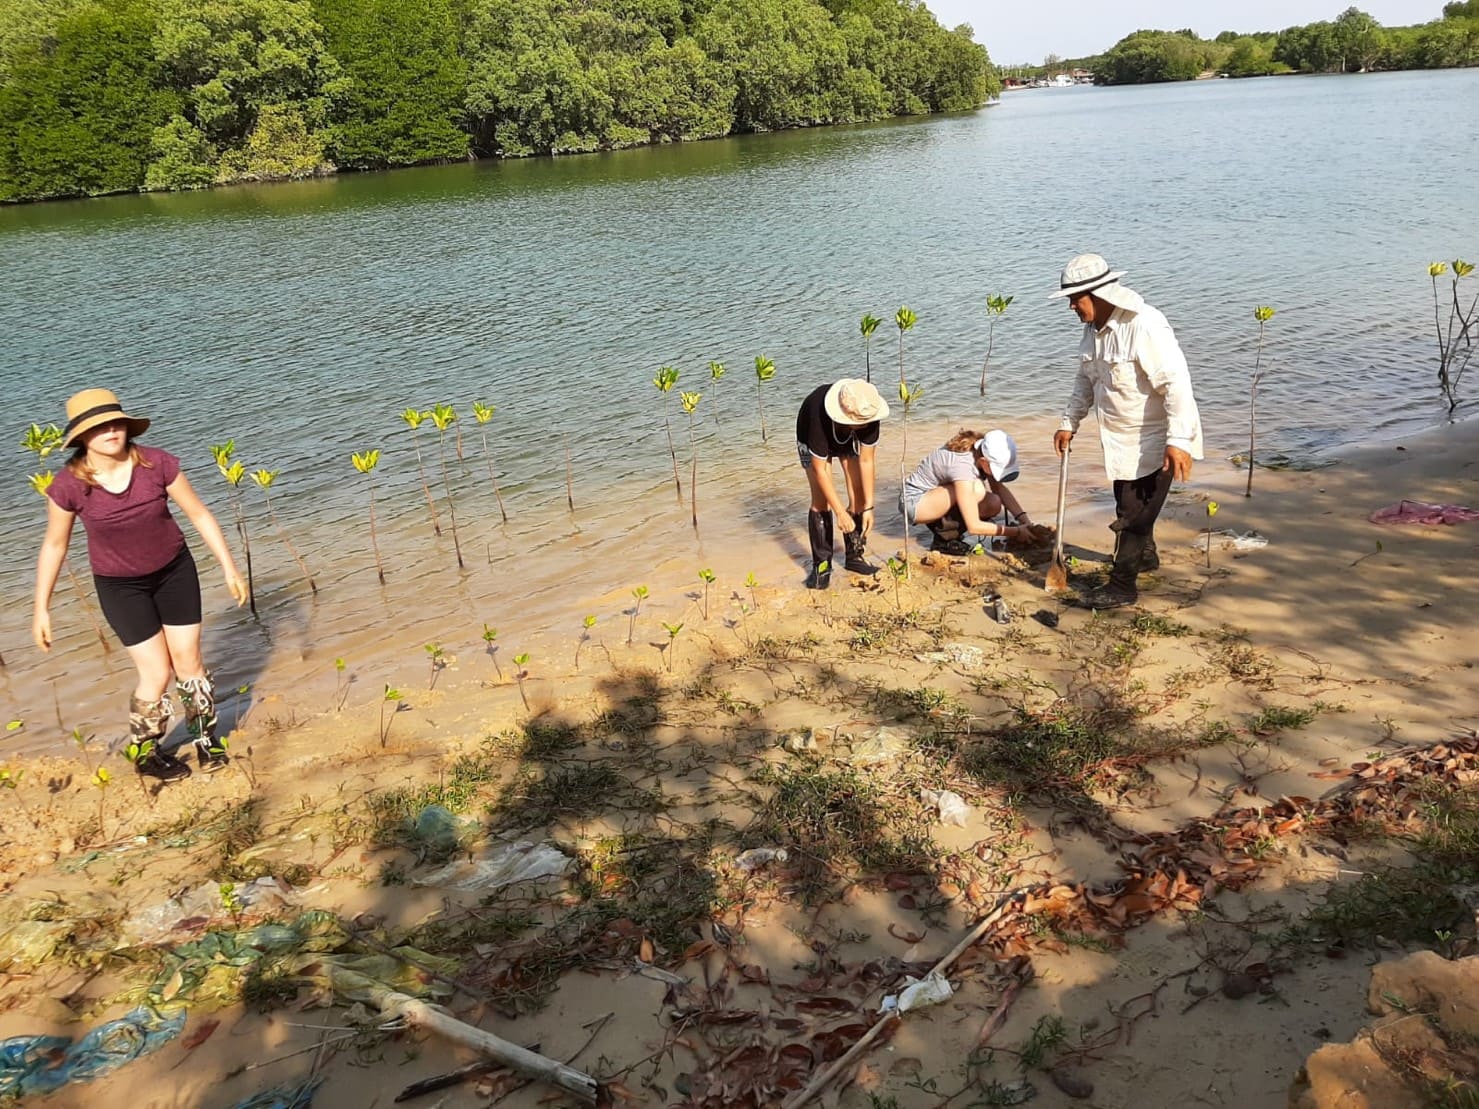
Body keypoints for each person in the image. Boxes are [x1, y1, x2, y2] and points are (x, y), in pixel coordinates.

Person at [32, 388, 249, 781]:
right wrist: (41, 608)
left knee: (189, 662)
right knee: (155, 672)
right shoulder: (69, 486)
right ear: (82, 437)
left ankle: (205, 739)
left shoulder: (157, 463)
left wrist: (230, 568)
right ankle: (147, 753)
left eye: (116, 422)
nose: (111, 430)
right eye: (99, 427)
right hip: (120, 587)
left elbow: (199, 515)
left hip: (174, 572)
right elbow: (54, 545)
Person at [1051, 253, 1203, 608]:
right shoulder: (1093, 333)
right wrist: (1068, 422)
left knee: (1132, 516)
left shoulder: (1145, 325)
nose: (1071, 306)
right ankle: (1144, 558)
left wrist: (1178, 441)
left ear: (1101, 294)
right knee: (1129, 502)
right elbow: (1084, 382)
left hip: (1155, 438)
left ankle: (1122, 586)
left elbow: (1176, 383)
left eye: (1076, 298)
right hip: (1119, 440)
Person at [795, 378, 889, 589]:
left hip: (846, 433)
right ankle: (822, 566)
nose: (866, 425)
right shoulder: (817, 418)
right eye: (861, 423)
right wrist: (840, 512)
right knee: (821, 501)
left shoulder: (868, 412)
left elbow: (866, 460)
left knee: (859, 496)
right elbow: (820, 471)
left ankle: (854, 556)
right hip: (811, 432)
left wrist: (869, 507)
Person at [902, 429, 1049, 554]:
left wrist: (1026, 522)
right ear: (984, 462)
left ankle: (952, 534)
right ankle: (944, 540)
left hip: (937, 497)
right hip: (915, 503)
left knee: (993, 502)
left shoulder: (980, 450)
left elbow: (998, 489)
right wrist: (1016, 532)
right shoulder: (963, 466)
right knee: (977, 490)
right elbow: (974, 526)